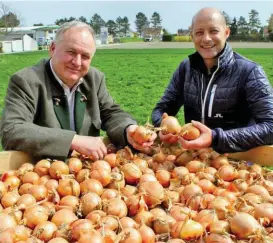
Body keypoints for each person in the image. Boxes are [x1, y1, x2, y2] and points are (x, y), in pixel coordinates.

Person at [0, 21, 155, 161]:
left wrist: (128, 129)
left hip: (88, 176)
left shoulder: (94, 78)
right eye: (71, 52)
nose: (77, 62)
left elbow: (111, 113)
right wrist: (74, 141)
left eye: (85, 56)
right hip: (42, 177)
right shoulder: (26, 81)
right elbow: (12, 130)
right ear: (52, 48)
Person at [152, 7, 273, 154]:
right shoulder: (186, 68)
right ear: (192, 36)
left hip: (238, 164)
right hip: (194, 161)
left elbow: (270, 126)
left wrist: (216, 138)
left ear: (226, 32)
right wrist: (163, 125)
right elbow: (161, 109)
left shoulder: (250, 72)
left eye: (213, 31)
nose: (206, 38)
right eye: (199, 33)